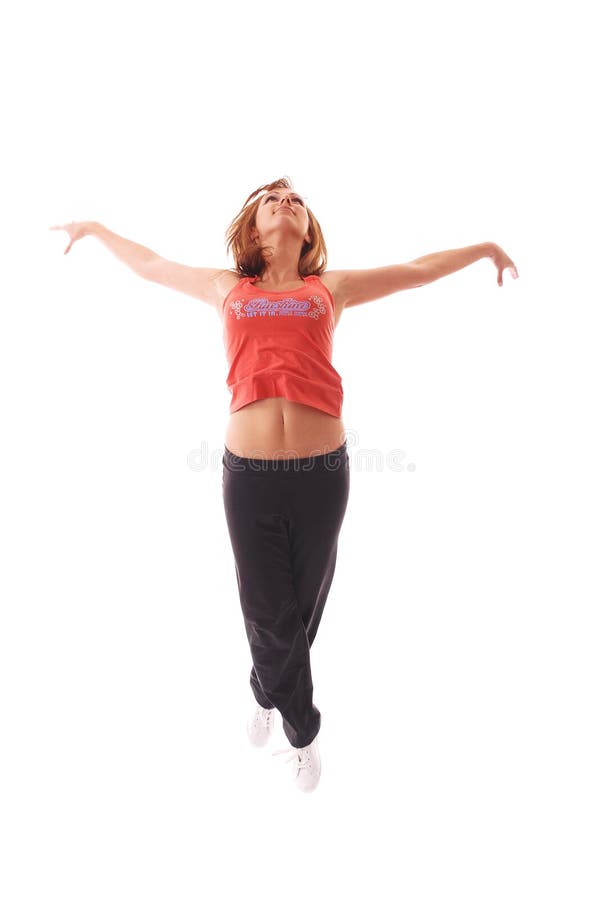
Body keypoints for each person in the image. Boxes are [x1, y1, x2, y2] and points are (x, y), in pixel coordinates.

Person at [50, 176, 519, 793]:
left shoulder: (331, 289)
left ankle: (265, 688)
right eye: (272, 200)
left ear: (307, 230)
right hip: (248, 477)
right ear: (253, 231)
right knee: (266, 608)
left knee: (301, 606)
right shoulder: (227, 289)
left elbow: (417, 269)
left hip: (324, 474)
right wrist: (95, 229)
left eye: (296, 201)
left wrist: (482, 246)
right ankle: (304, 731)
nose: (286, 203)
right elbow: (152, 265)